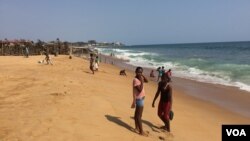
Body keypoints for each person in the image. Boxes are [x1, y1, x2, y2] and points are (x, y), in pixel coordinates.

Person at [131, 67, 148, 136]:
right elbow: (140, 90)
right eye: (138, 72)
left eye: (141, 72)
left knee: (137, 115)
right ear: (135, 71)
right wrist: (141, 80)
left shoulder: (139, 78)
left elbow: (147, 81)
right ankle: (141, 131)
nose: (139, 73)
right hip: (139, 99)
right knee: (138, 116)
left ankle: (136, 128)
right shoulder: (135, 80)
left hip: (141, 98)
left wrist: (142, 76)